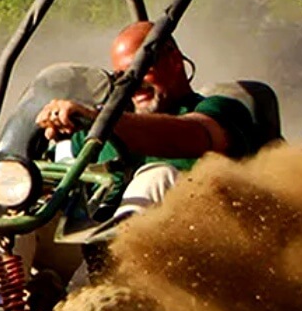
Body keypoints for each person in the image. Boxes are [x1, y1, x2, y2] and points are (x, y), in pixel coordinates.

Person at [35, 20, 259, 222]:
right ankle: (6, 266)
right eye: (121, 77)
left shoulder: (222, 110)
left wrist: (102, 120)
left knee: (156, 178)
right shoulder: (96, 128)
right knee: (18, 201)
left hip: (195, 244)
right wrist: (56, 123)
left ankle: (117, 262)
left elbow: (194, 134)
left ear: (174, 61)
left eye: (140, 69)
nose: (132, 85)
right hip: (88, 240)